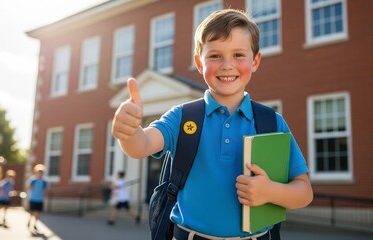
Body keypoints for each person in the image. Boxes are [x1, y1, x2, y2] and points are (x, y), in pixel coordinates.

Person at [112, 8, 313, 240]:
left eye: (238, 55)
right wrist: (128, 133)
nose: (227, 65)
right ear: (199, 63)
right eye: (215, 55)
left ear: (255, 61)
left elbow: (304, 192)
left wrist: (270, 191)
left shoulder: (271, 121)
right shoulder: (182, 117)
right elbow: (143, 144)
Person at [26, 164, 48, 232]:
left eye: (41, 172)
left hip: (40, 199)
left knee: (37, 212)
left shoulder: (44, 181)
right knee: (32, 212)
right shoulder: (33, 180)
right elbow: (28, 187)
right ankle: (29, 220)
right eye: (39, 172)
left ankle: (35, 224)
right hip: (33, 198)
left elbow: (45, 190)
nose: (40, 174)